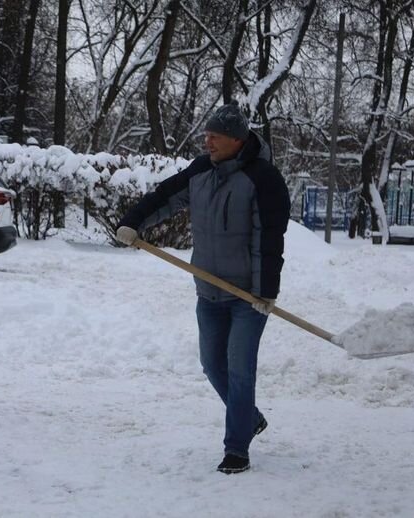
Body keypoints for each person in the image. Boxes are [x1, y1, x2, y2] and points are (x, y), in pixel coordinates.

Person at [115, 103, 290, 474]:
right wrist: (133, 223)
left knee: (240, 370)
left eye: (214, 136)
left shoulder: (263, 179)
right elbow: (164, 197)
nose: (206, 141)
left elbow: (270, 239)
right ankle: (249, 418)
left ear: (237, 139)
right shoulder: (200, 171)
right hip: (208, 291)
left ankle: (236, 449)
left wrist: (265, 292)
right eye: (206, 135)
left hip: (248, 297)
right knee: (213, 365)